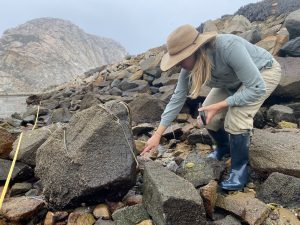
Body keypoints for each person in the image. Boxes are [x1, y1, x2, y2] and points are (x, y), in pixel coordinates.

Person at [141, 24, 282, 191]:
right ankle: (224, 147)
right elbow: (177, 98)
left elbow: (256, 88)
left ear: (196, 50)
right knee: (207, 114)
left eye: (181, 60)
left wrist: (222, 105)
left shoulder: (229, 47)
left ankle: (239, 170)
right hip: (230, 81)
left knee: (236, 116)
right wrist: (157, 134)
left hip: (262, 73)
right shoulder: (189, 67)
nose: (178, 66)